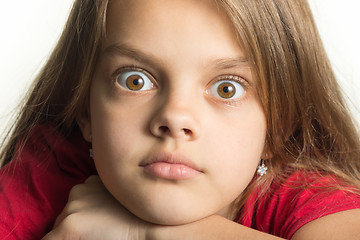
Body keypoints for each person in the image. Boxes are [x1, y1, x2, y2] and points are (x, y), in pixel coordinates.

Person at [1, 0, 360, 239]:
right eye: (135, 80)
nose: (175, 117)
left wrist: (140, 231)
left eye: (226, 89)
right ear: (86, 111)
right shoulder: (50, 170)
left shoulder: (307, 198)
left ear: (279, 126)